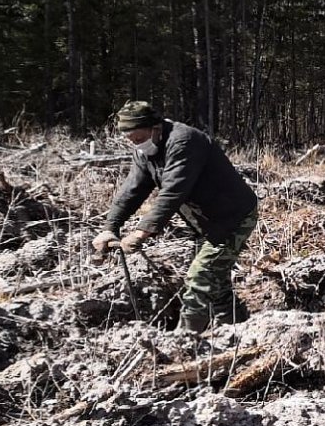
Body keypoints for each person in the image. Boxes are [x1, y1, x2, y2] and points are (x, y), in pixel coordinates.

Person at [92, 101, 259, 333]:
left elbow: (173, 191)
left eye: (139, 139)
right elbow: (132, 189)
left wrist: (142, 231)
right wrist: (111, 226)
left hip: (232, 217)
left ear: (156, 127)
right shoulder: (145, 151)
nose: (136, 145)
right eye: (131, 141)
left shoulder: (184, 141)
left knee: (199, 277)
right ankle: (241, 330)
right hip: (204, 221)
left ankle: (185, 341)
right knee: (216, 282)